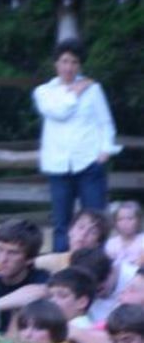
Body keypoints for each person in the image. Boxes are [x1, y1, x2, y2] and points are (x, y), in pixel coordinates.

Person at [33, 38, 122, 252]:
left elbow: (105, 123)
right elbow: (59, 112)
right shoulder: (44, 92)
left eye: (74, 62)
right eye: (64, 61)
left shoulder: (93, 89)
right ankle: (62, 271)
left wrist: (105, 151)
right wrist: (75, 93)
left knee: (95, 221)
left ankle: (96, 267)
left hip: (89, 163)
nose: (69, 67)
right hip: (58, 165)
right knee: (61, 223)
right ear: (56, 64)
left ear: (79, 64)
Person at [106, 200, 144, 267]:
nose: (125, 223)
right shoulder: (111, 243)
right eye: (120, 219)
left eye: (130, 218)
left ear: (138, 220)